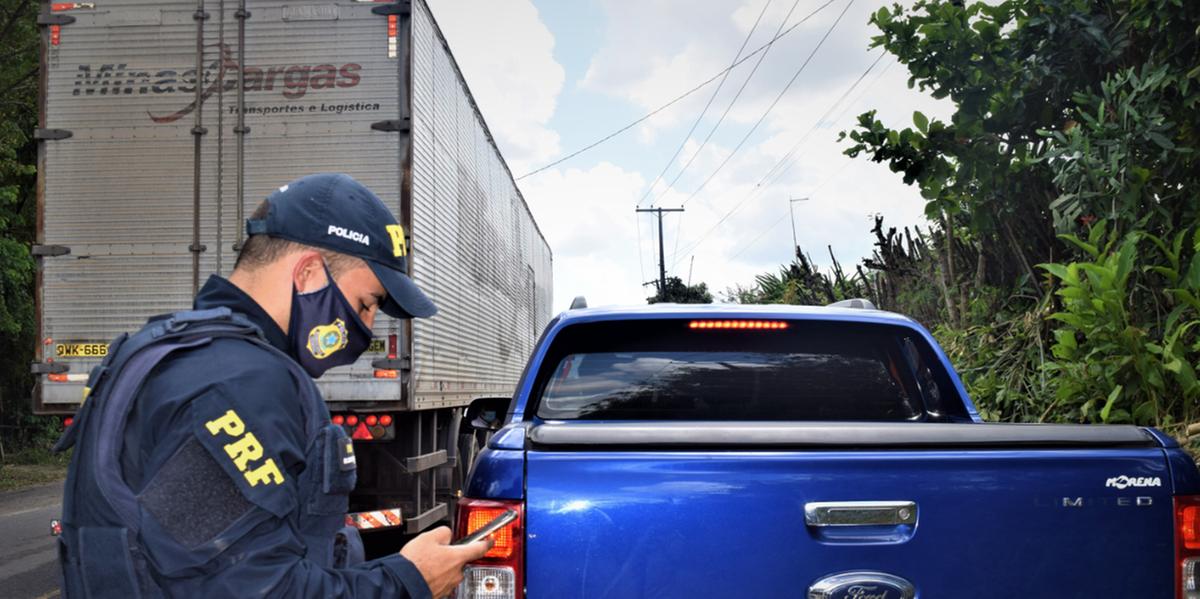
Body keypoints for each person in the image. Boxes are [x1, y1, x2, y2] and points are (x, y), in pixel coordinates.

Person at [54, 173, 491, 598]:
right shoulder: (243, 382)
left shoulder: (161, 350)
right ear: (308, 274)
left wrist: (372, 560)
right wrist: (407, 582)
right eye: (366, 302)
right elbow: (255, 587)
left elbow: (227, 558)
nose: (367, 324)